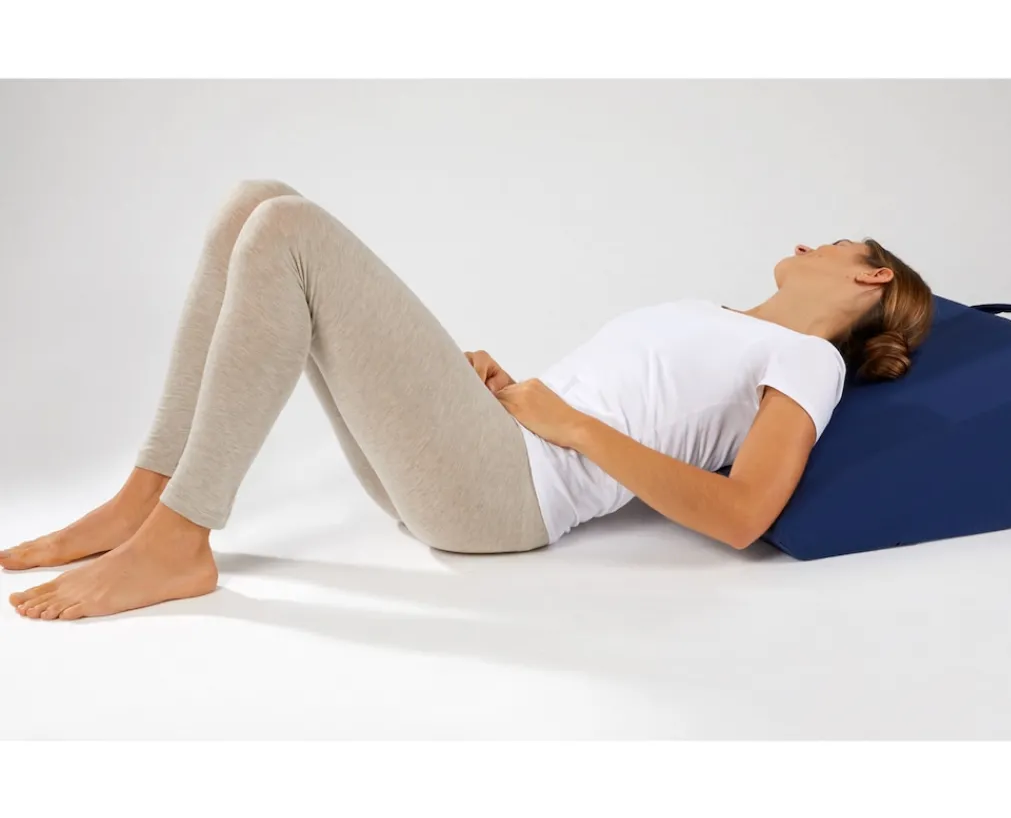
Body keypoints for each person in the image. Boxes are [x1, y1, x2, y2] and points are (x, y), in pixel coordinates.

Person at [4, 180, 934, 620]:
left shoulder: (809, 361)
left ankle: (180, 539)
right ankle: (148, 497)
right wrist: (502, 393)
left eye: (832, 244)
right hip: (493, 447)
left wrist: (570, 425)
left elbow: (742, 514)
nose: (805, 243)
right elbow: (616, 402)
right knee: (254, 205)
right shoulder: (719, 316)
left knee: (288, 228)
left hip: (506, 496)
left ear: (872, 276)